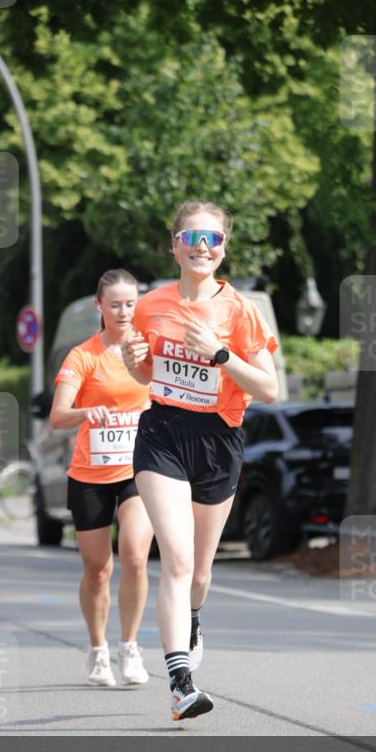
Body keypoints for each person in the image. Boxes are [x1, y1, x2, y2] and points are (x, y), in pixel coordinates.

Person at [122, 201, 279, 721]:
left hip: (219, 440)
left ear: (224, 247)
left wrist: (220, 353)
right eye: (191, 239)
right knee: (177, 558)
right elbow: (148, 376)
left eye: (212, 239)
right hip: (162, 433)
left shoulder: (241, 311)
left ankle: (192, 618)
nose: (202, 247)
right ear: (175, 246)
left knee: (200, 572)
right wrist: (135, 363)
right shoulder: (150, 305)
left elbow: (270, 389)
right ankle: (180, 683)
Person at [50, 269, 153, 687]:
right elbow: (58, 416)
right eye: (115, 304)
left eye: (130, 304)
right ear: (100, 307)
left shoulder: (147, 352)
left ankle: (129, 647)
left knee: (134, 556)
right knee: (97, 569)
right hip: (91, 473)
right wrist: (85, 412)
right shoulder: (83, 356)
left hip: (138, 469)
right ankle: (98, 651)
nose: (124, 311)